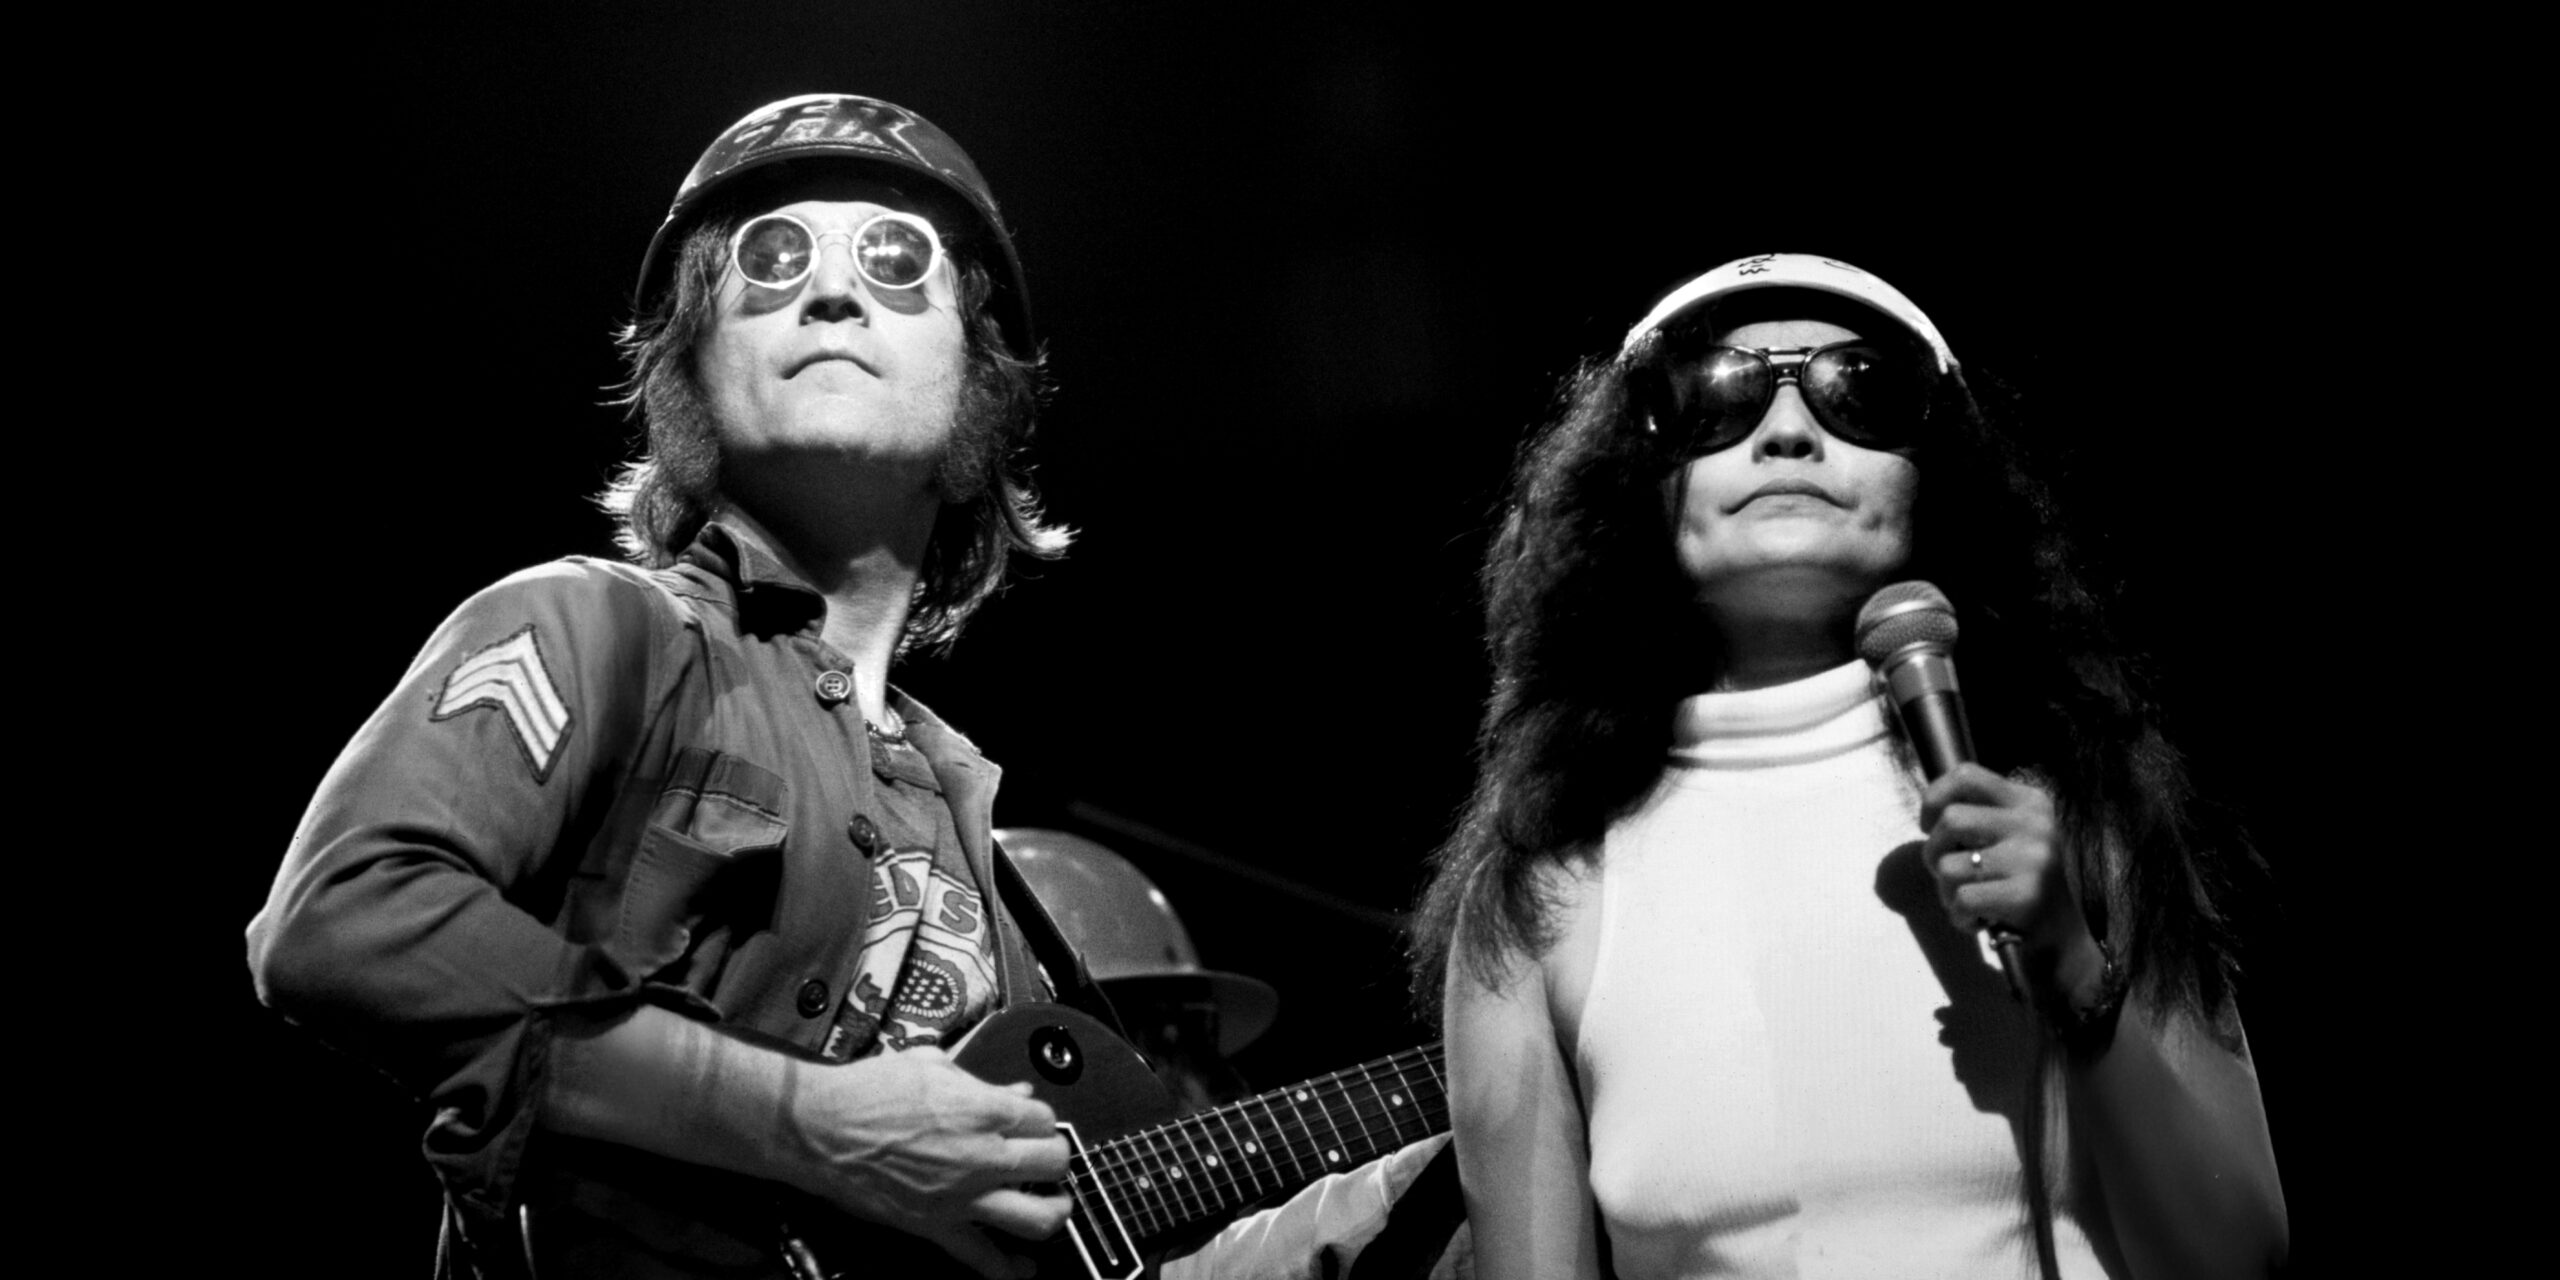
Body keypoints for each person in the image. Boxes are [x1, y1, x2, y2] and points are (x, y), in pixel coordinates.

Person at [248, 94, 1092, 1280]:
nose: (832, 291)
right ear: (692, 368)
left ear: (982, 379)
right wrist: (818, 1123)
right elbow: (346, 919)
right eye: (772, 257)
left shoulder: (968, 815)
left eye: (897, 260)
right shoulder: (595, 624)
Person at [1412, 254, 2287, 1279]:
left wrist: (2073, 961)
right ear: (1637, 481)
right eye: (1716, 395)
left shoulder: (2069, 811)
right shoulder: (1541, 893)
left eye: (1861, 392)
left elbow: (2239, 1258)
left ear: (1934, 481)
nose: (1787, 432)